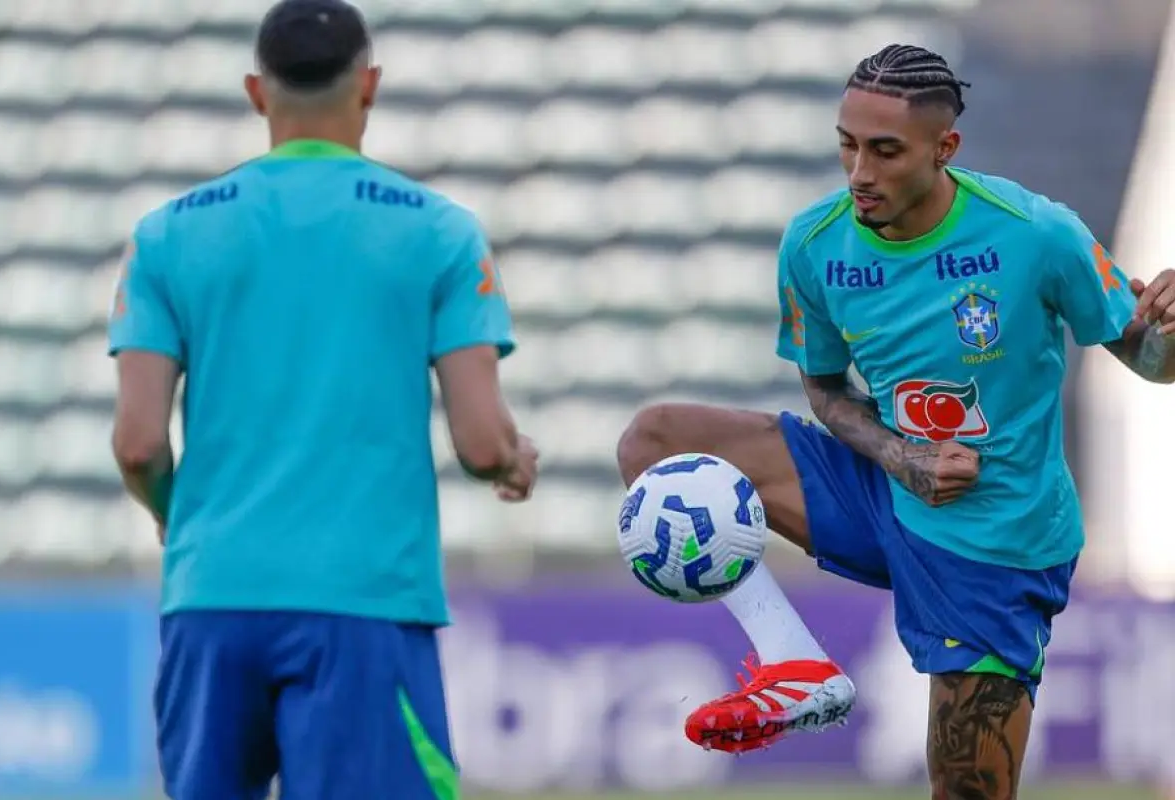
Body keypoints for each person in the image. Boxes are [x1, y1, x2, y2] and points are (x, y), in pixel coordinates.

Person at [617, 43, 1175, 799]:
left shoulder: (1036, 234)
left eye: (885, 151)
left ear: (946, 149)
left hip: (994, 538)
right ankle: (793, 664)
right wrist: (900, 455)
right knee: (654, 442)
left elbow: (1151, 363)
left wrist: (1170, 333)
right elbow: (824, 392)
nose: (859, 174)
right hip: (884, 485)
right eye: (847, 146)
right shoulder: (815, 245)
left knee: (967, 793)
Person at [107, 1, 537, 797]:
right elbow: (481, 444)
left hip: (211, 599)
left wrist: (175, 508)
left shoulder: (165, 235)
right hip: (364, 600)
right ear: (368, 86)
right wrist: (513, 459)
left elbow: (137, 443)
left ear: (255, 91)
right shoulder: (439, 232)